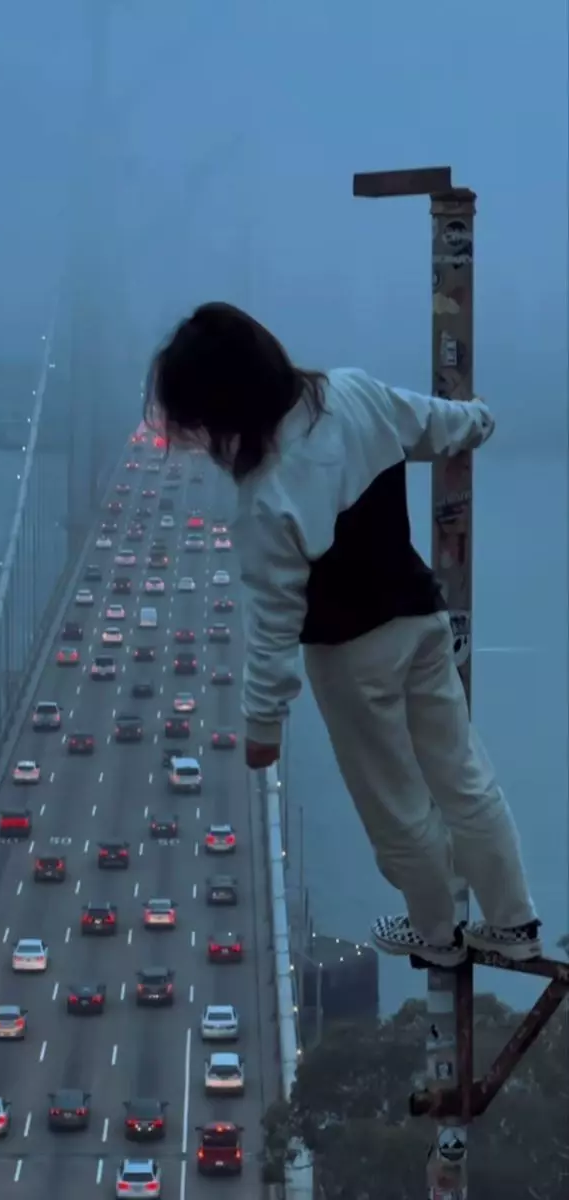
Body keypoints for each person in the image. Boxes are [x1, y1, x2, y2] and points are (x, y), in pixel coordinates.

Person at [144, 301, 542, 969]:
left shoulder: (267, 493)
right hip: (421, 620)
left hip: (353, 656)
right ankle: (513, 921)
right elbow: (432, 424)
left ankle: (436, 933)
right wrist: (477, 420)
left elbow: (273, 623)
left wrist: (262, 725)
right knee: (463, 777)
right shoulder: (352, 393)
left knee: (395, 804)